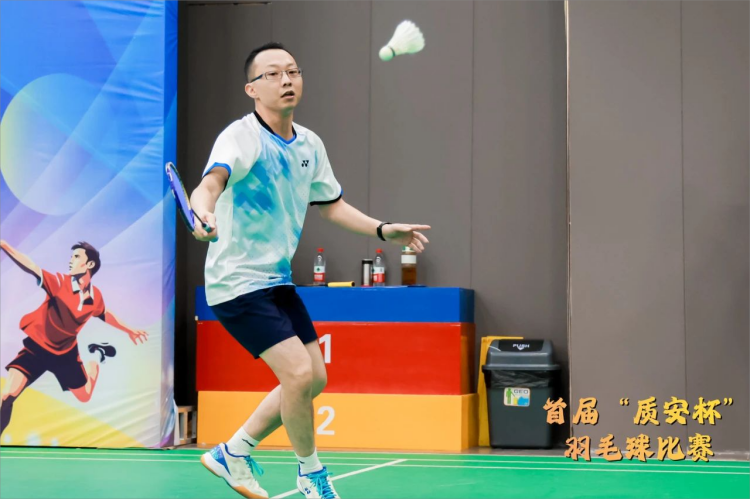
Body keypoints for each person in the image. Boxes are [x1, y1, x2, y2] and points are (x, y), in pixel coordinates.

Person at [191, 42, 430, 499]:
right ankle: (311, 474)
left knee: (314, 377)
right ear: (251, 89)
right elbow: (210, 184)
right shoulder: (240, 137)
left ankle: (233, 452)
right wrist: (204, 211)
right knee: (298, 374)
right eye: (273, 73)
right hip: (236, 281)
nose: (286, 80)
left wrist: (384, 230)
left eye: (293, 71)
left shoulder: (309, 145)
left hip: (277, 280)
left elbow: (331, 205)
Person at [0, 240, 148, 437]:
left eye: (77, 257)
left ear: (89, 264)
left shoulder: (95, 296)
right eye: (71, 256)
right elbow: (31, 266)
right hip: (37, 348)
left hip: (65, 354)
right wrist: (4, 244)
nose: (71, 260)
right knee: (7, 395)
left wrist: (129, 330)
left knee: (85, 396)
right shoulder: (59, 282)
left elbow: (104, 313)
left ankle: (97, 355)